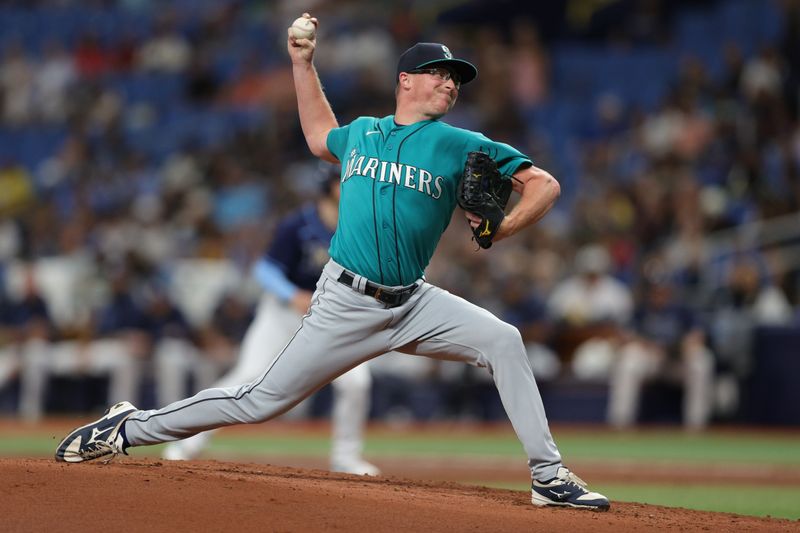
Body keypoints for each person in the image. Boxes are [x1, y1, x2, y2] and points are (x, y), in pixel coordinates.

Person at [54, 13, 609, 512]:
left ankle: (548, 475)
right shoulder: (364, 133)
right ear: (406, 81)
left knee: (504, 340)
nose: (450, 83)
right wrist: (303, 63)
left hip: (414, 301)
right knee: (256, 402)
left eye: (456, 78)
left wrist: (505, 226)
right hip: (345, 301)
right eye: (439, 73)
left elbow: (544, 185)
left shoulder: (461, 144)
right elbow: (320, 135)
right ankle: (127, 429)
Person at [162, 165, 380, 476]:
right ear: (329, 186)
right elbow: (265, 270)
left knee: (357, 382)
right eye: (345, 182)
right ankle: (188, 441)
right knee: (248, 375)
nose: (353, 188)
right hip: (282, 313)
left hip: (333, 318)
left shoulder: (359, 227)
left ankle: (346, 458)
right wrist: (292, 295)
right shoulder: (298, 223)